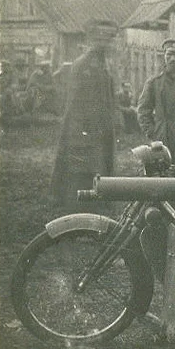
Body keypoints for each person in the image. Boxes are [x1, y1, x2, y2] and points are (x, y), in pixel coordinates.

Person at [50, 19, 118, 208]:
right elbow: (76, 103)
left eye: (109, 38)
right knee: (82, 166)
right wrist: (83, 130)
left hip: (101, 125)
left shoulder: (105, 64)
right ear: (93, 39)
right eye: (102, 38)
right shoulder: (83, 65)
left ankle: (97, 199)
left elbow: (109, 97)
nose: (106, 42)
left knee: (100, 164)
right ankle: (76, 203)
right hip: (83, 126)